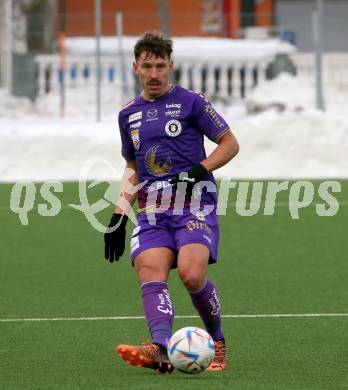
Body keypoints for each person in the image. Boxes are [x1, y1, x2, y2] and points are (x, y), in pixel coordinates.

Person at [104, 32, 239, 374]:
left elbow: (229, 143)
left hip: (194, 204)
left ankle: (218, 342)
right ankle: (159, 349)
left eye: (160, 66)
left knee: (193, 276)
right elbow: (133, 167)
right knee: (150, 272)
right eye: (147, 66)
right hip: (151, 209)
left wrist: (199, 170)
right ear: (135, 67)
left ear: (171, 67)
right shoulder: (128, 115)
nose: (153, 73)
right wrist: (119, 213)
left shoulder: (192, 102)